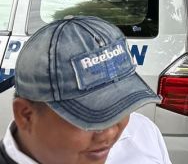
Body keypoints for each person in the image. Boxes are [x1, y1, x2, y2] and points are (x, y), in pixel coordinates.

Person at [2, 15, 171, 164]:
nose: (111, 132)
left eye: (120, 106)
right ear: (25, 115)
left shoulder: (142, 134)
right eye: (90, 117)